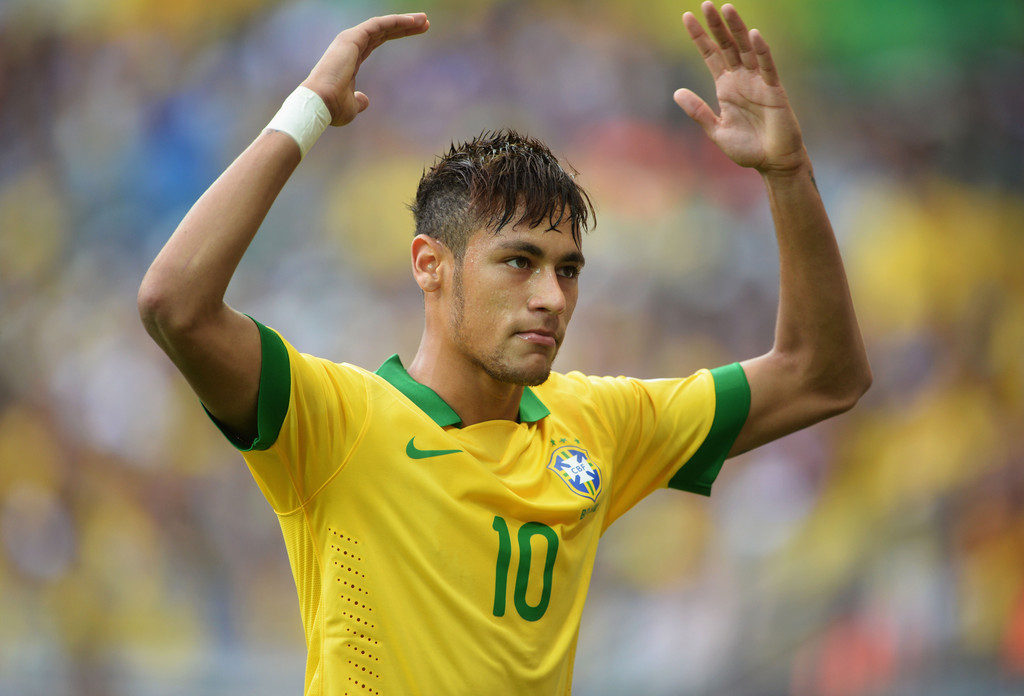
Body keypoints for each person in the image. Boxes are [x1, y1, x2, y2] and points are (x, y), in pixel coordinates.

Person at [137, 3, 871, 694]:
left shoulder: (597, 425)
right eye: (519, 262)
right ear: (430, 264)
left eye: (568, 270)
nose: (552, 296)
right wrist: (307, 112)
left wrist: (788, 175)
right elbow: (175, 304)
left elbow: (823, 375)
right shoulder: (336, 422)